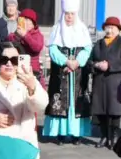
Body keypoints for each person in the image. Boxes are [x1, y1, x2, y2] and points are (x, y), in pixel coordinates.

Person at [43, 0, 92, 145]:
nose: (69, 17)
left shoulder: (82, 29)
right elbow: (53, 49)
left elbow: (87, 49)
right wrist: (66, 61)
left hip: (78, 73)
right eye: (67, 14)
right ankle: (61, 133)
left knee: (77, 103)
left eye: (72, 14)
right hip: (61, 72)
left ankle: (76, 134)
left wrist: (77, 62)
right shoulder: (57, 28)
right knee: (60, 103)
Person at [90, 17, 121, 148]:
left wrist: (110, 65)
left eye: (113, 28)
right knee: (100, 110)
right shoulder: (98, 43)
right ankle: (103, 136)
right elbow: (90, 60)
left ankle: (112, 137)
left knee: (114, 110)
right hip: (100, 81)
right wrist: (96, 65)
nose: (110, 30)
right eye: (107, 28)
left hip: (115, 81)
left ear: (118, 30)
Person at [7, 8, 44, 87]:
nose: (25, 22)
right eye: (23, 19)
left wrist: (25, 35)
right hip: (17, 70)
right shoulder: (17, 33)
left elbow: (37, 47)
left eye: (27, 20)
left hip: (32, 71)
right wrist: (17, 36)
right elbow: (8, 41)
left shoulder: (37, 34)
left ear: (33, 23)